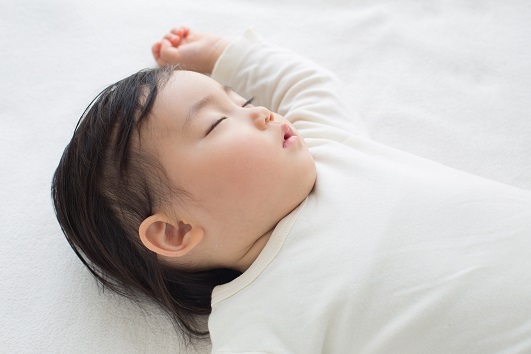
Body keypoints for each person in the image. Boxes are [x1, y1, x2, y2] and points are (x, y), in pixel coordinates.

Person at [52, 27, 531, 353]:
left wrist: (223, 55)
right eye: (218, 122)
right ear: (176, 231)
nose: (262, 113)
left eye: (245, 101)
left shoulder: (328, 149)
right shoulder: (255, 319)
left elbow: (306, 84)